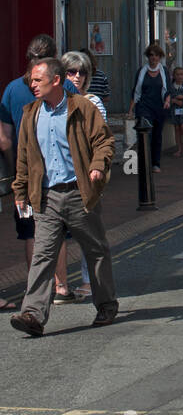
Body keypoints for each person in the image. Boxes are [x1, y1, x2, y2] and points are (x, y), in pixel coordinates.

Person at [10, 58, 118, 336]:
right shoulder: (31, 114)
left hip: (78, 194)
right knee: (43, 257)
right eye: (32, 80)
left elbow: (104, 141)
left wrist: (96, 167)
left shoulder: (82, 107)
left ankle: (106, 304)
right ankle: (33, 314)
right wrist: (20, 192)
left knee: (96, 251)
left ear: (55, 80)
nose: (32, 85)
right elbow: (24, 158)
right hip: (47, 198)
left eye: (37, 80)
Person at [1, 35, 76, 307]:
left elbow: (5, 139)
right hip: (57, 175)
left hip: (26, 177)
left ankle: (36, 289)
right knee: (58, 230)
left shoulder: (11, 90)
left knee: (29, 231)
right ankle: (61, 287)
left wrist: (15, 175)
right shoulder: (62, 85)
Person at [61, 50, 108, 302]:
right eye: (71, 71)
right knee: (57, 236)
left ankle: (91, 282)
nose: (77, 77)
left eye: (82, 72)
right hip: (60, 178)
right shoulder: (56, 101)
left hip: (86, 177)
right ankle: (57, 286)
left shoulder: (93, 101)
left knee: (86, 234)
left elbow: (101, 140)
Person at [129, 43, 170, 172]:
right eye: (151, 55)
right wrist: (131, 109)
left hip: (159, 107)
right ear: (148, 56)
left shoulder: (164, 71)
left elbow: (168, 89)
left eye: (156, 55)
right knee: (147, 134)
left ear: (160, 57)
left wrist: (168, 100)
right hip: (144, 107)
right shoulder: (142, 71)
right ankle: (145, 162)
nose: (154, 58)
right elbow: (136, 91)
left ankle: (155, 163)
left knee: (157, 136)